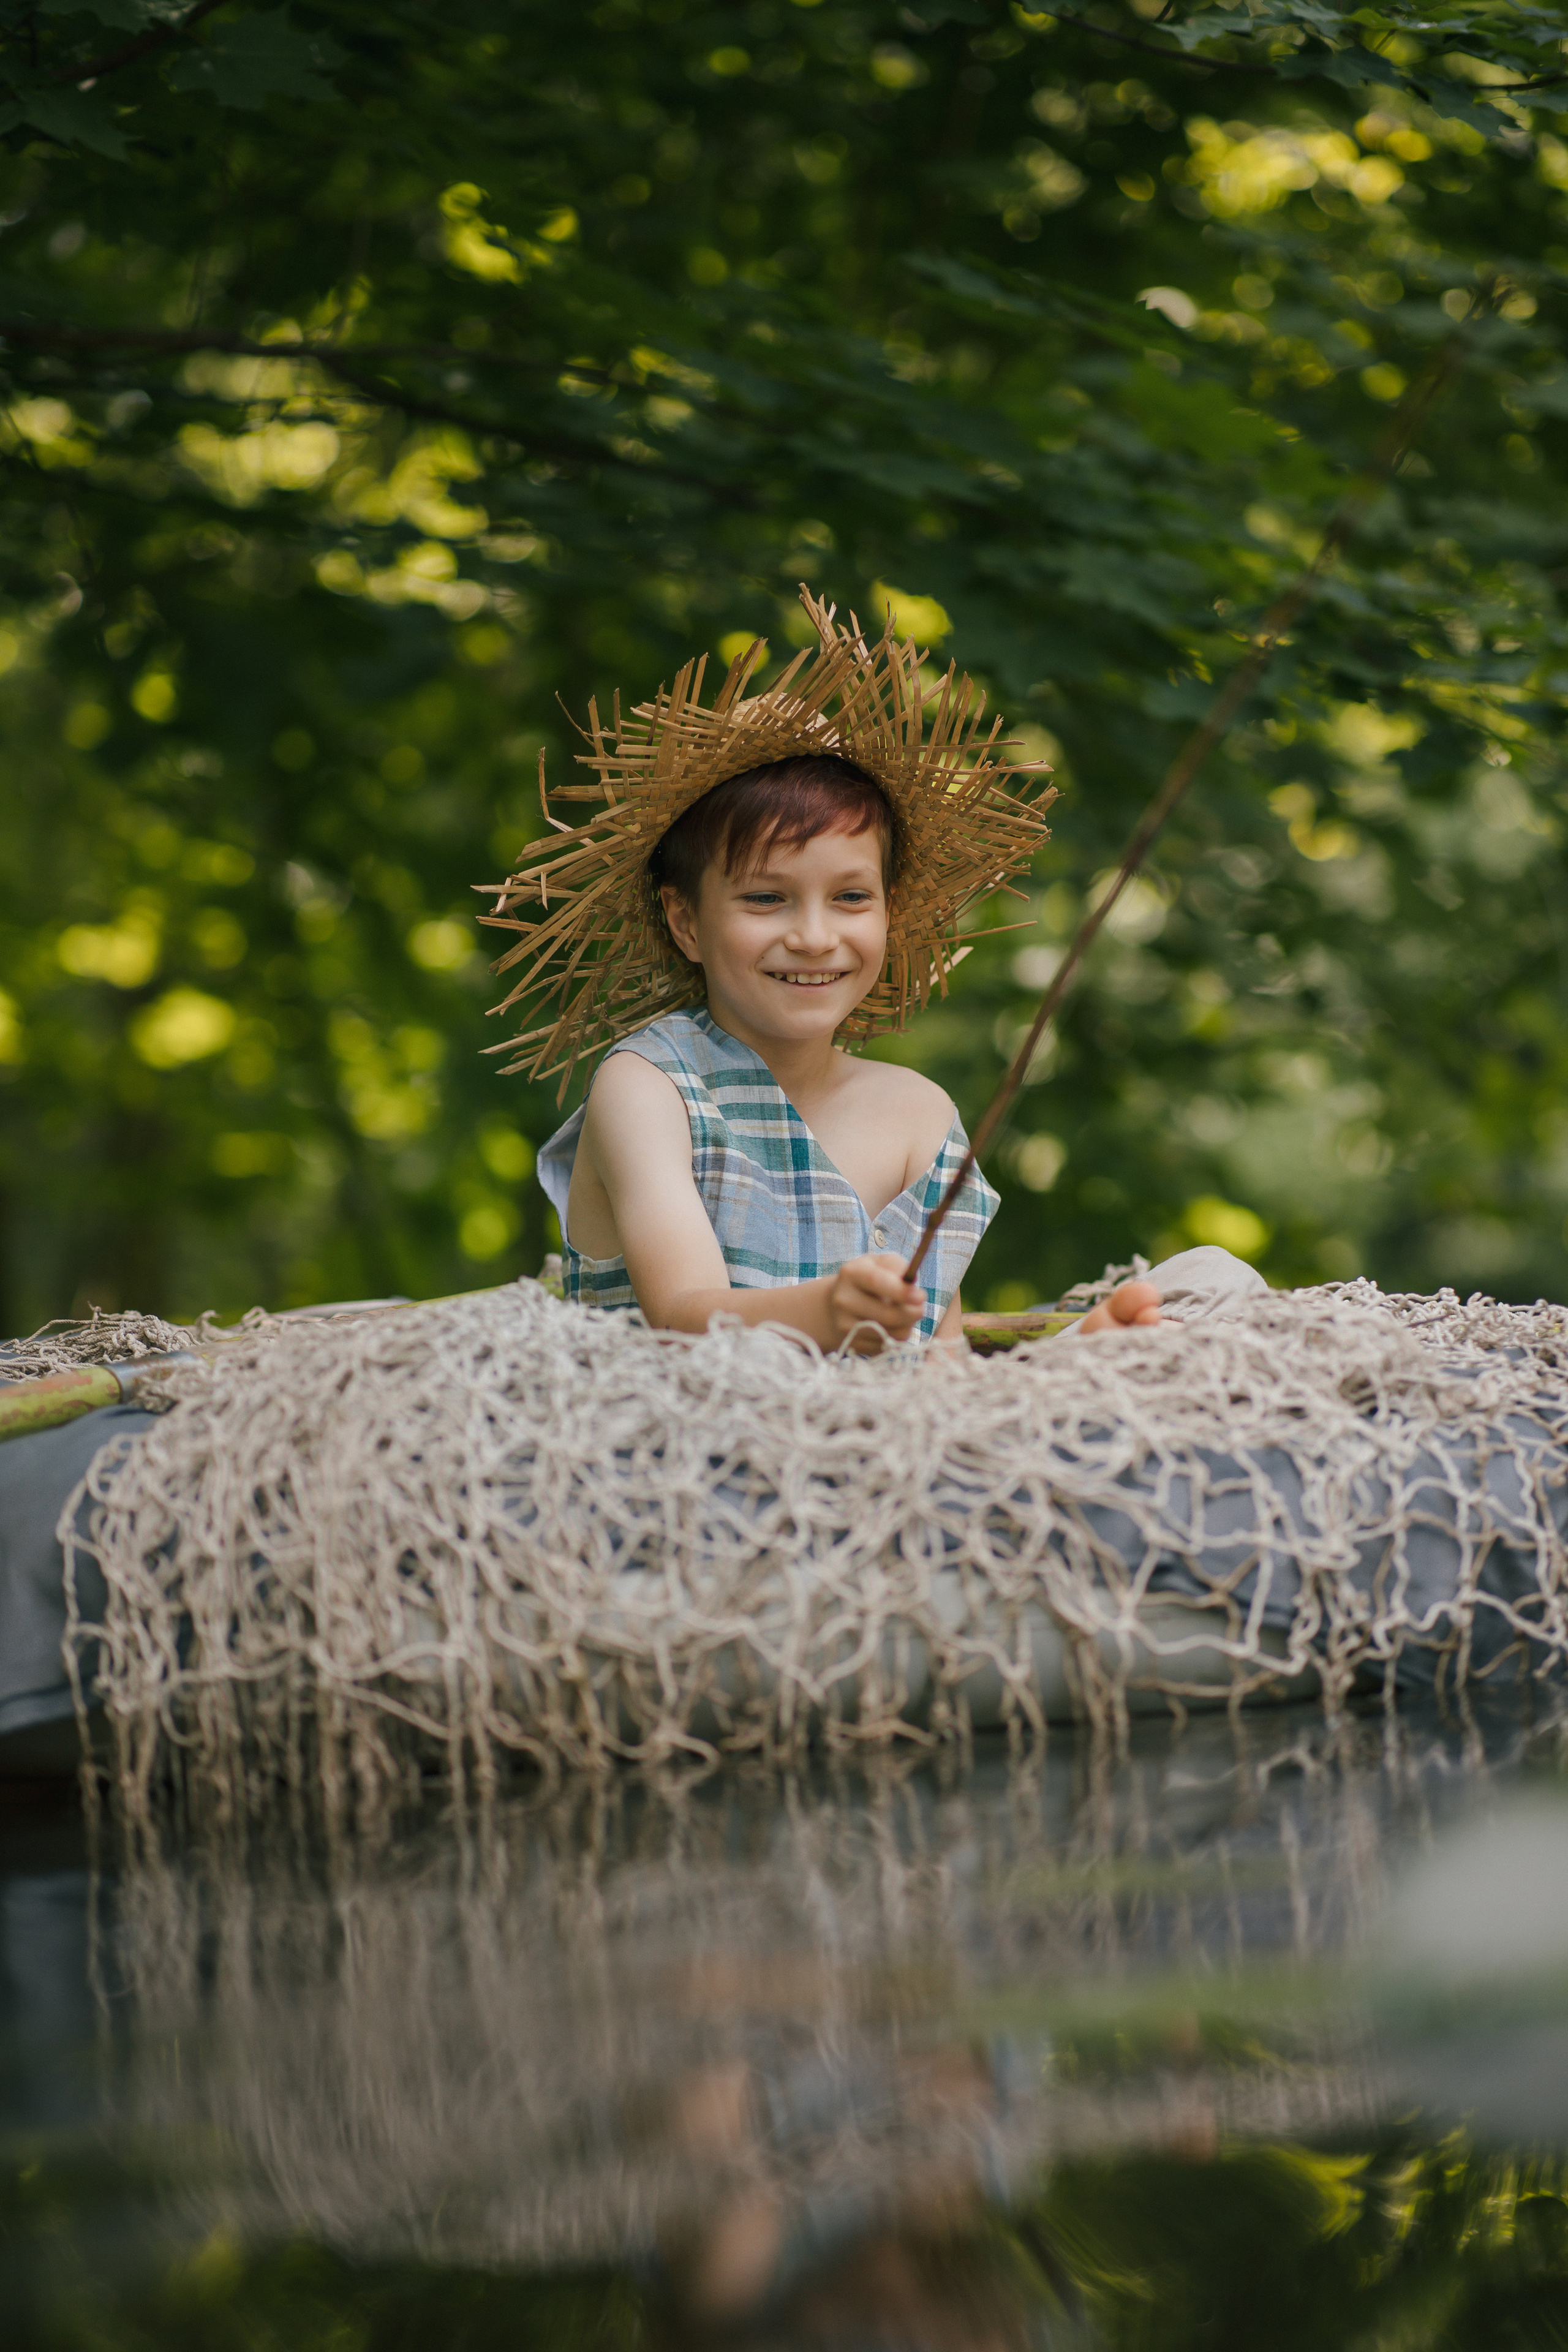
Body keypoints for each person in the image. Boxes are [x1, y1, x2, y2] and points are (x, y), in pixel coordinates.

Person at [484, 588, 1253, 1351]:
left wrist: (1080, 1350)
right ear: (685, 920)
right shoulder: (650, 1087)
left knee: (1214, 1279)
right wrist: (825, 1312)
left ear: (886, 910)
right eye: (766, 898)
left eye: (850, 896)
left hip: (878, 1451)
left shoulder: (917, 1113)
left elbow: (938, 1373)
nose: (815, 937)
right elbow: (682, 1313)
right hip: (692, 1442)